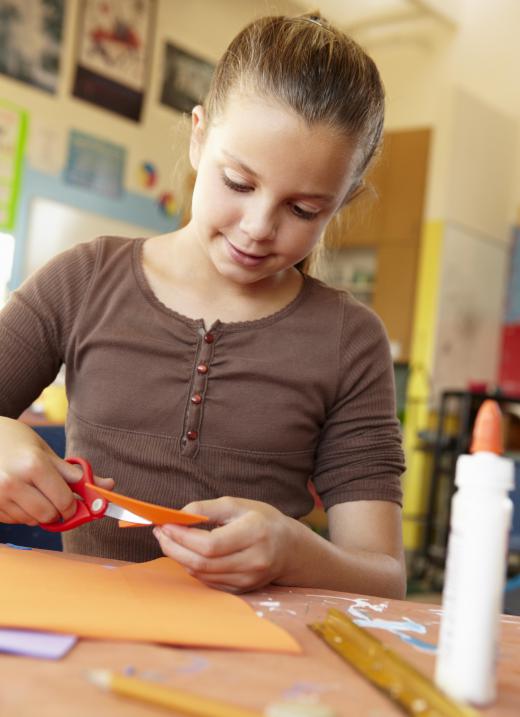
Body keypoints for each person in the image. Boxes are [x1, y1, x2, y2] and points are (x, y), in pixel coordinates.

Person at [0, 12, 406, 598]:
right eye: (239, 184)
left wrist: (294, 553)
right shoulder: (83, 279)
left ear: (343, 201)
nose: (258, 228)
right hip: (88, 635)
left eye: (304, 210)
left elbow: (384, 577)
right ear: (197, 135)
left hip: (260, 657)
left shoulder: (350, 339)